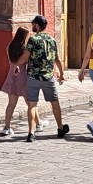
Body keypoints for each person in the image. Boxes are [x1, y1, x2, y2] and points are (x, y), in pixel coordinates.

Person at [14, 14, 69, 142]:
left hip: (33, 77)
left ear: (37, 25)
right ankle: (60, 128)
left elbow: (25, 57)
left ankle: (31, 133)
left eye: (33, 24)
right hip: (48, 77)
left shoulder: (33, 40)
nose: (32, 26)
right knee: (55, 103)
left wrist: (15, 65)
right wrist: (61, 74)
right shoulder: (52, 40)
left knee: (32, 105)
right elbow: (57, 59)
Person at [0, 26, 29, 137]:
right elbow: (22, 62)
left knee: (11, 104)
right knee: (30, 103)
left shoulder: (9, 47)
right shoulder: (25, 50)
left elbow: (11, 62)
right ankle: (37, 123)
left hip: (11, 76)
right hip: (22, 78)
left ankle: (7, 126)